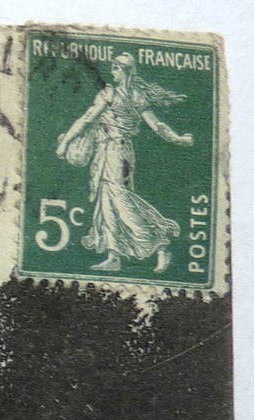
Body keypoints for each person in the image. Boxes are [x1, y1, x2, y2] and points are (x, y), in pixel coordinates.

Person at [56, 53, 194, 274]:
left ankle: (159, 243)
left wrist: (65, 143)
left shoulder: (111, 95)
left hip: (115, 151)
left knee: (120, 200)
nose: (112, 72)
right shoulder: (136, 96)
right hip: (115, 152)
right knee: (107, 202)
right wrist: (177, 138)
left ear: (125, 71)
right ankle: (114, 256)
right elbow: (157, 125)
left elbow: (87, 119)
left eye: (116, 68)